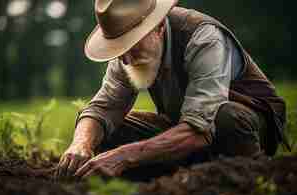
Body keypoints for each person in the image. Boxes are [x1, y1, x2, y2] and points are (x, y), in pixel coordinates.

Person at [54, 0, 289, 180]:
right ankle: (185, 176)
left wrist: (124, 156)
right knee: (102, 131)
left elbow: (200, 128)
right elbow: (103, 108)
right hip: (185, 128)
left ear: (158, 29)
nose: (125, 60)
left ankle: (249, 174)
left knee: (224, 117)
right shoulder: (127, 54)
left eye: (132, 46)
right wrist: (81, 143)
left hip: (243, 127)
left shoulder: (204, 37)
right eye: (119, 50)